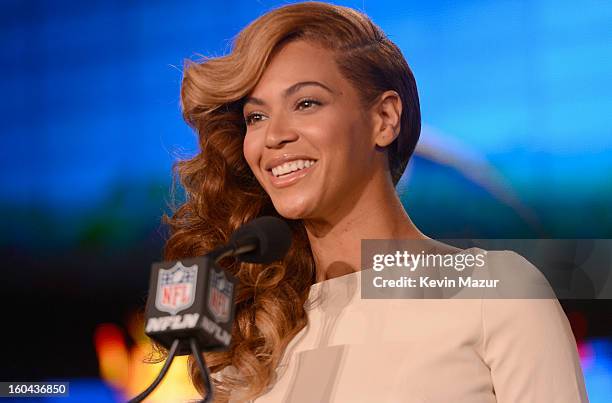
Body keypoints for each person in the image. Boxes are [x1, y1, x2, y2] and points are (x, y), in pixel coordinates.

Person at [163, 2, 589, 402]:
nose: (273, 136)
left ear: (384, 119)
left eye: (306, 103)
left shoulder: (495, 291)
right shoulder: (251, 336)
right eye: (256, 116)